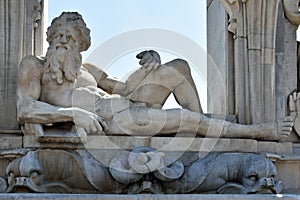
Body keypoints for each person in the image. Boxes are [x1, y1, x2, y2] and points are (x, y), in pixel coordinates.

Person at [17, 12, 294, 140]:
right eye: (59, 37)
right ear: (50, 40)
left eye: (71, 38)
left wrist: (151, 62)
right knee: (189, 119)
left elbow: (123, 88)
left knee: (179, 68)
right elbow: (26, 109)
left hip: (125, 103)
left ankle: (202, 132)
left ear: (80, 46)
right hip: (117, 121)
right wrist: (74, 114)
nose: (64, 42)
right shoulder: (35, 67)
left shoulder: (88, 71)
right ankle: (256, 131)